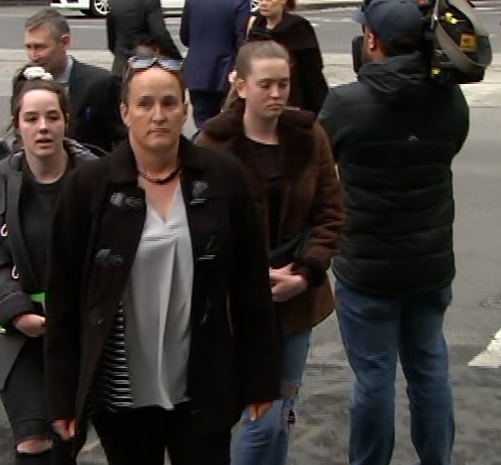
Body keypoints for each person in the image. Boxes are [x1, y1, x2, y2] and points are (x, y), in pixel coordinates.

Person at [44, 56, 283, 465]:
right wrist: (63, 396)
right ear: (125, 112)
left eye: (170, 103)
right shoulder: (89, 187)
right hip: (122, 394)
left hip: (202, 384)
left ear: (186, 108)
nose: (158, 116)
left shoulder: (224, 177)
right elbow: (64, 297)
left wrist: (260, 378)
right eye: (145, 104)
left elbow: (250, 287)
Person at [317, 0, 470, 464]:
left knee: (374, 377)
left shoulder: (347, 104)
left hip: (368, 269)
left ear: (372, 41)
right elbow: (451, 147)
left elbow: (320, 162)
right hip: (429, 263)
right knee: (429, 368)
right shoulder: (449, 99)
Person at [196, 40, 343, 465]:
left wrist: (304, 273)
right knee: (260, 418)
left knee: (280, 414)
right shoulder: (214, 143)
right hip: (236, 305)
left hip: (297, 298)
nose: (277, 94)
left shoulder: (308, 134)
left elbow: (331, 214)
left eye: (284, 84)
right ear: (241, 86)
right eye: (266, 85)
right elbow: (200, 227)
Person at [0, 66, 97, 465]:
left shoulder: (95, 176)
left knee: (64, 440)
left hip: (79, 330)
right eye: (31, 119)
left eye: (52, 117)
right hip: (19, 331)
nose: (42, 127)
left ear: (66, 121)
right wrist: (16, 309)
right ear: (17, 126)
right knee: (33, 440)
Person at [23, 8, 125, 152]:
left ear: (65, 42)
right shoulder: (25, 82)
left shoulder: (100, 84)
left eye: (40, 47)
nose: (33, 55)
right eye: (29, 47)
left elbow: (121, 140)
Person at [245, 0, 328, 115]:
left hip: (293, 95)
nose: (263, 4)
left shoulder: (297, 27)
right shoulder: (257, 25)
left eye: (269, 0)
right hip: (259, 93)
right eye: (261, 0)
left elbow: (312, 70)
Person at [180, 0, 250, 129]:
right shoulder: (240, 2)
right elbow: (242, 40)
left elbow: (184, 37)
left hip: (198, 71)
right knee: (229, 123)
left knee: (202, 124)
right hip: (227, 72)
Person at [106, 0, 182, 78]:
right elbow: (159, 34)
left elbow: (112, 38)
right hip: (145, 65)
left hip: (120, 67)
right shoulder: (149, 2)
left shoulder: (113, 2)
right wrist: (176, 56)